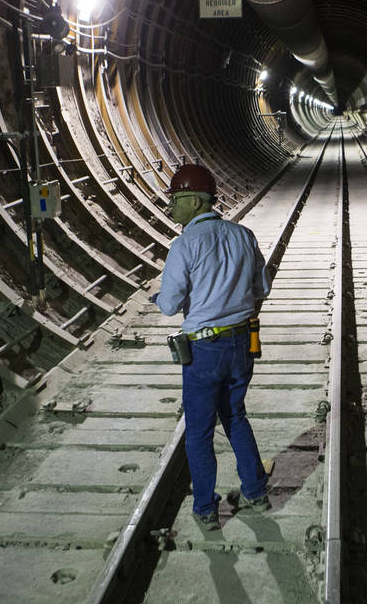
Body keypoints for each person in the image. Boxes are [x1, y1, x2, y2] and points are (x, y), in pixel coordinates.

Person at [151, 163, 271, 531]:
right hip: (241, 343)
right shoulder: (243, 234)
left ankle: (205, 507)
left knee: (200, 432)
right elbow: (261, 288)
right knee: (235, 415)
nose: (170, 207)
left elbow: (170, 304)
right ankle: (255, 491)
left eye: (175, 200)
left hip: (204, 351)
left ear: (193, 201)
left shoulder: (184, 245)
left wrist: (157, 297)